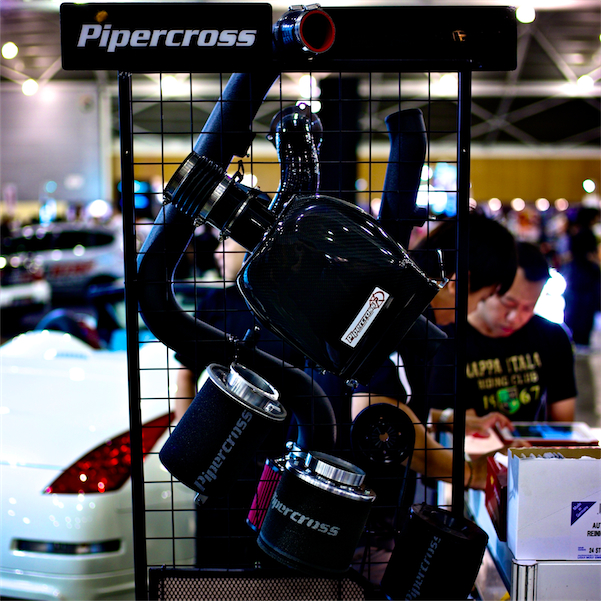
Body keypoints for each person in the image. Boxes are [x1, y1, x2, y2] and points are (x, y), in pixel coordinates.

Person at [430, 241, 577, 427]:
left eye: (528, 307)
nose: (515, 317)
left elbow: (563, 423)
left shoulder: (553, 337)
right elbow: (431, 416)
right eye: (508, 304)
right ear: (489, 288)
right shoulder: (444, 336)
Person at [562, 206, 600, 351]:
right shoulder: (587, 233)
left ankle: (574, 338)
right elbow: (590, 255)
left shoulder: (575, 232)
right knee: (585, 308)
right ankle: (582, 340)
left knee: (575, 306)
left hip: (576, 275)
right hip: (586, 276)